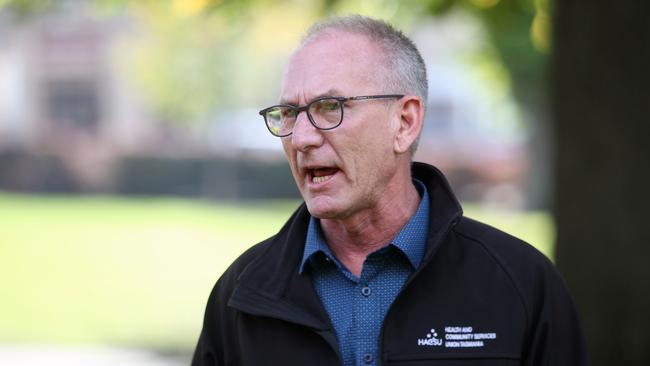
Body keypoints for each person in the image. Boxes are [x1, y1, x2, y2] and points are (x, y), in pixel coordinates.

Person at [192, 15, 586, 366]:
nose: (301, 138)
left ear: (405, 122)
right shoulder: (241, 295)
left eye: (330, 107)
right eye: (290, 113)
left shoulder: (520, 284)